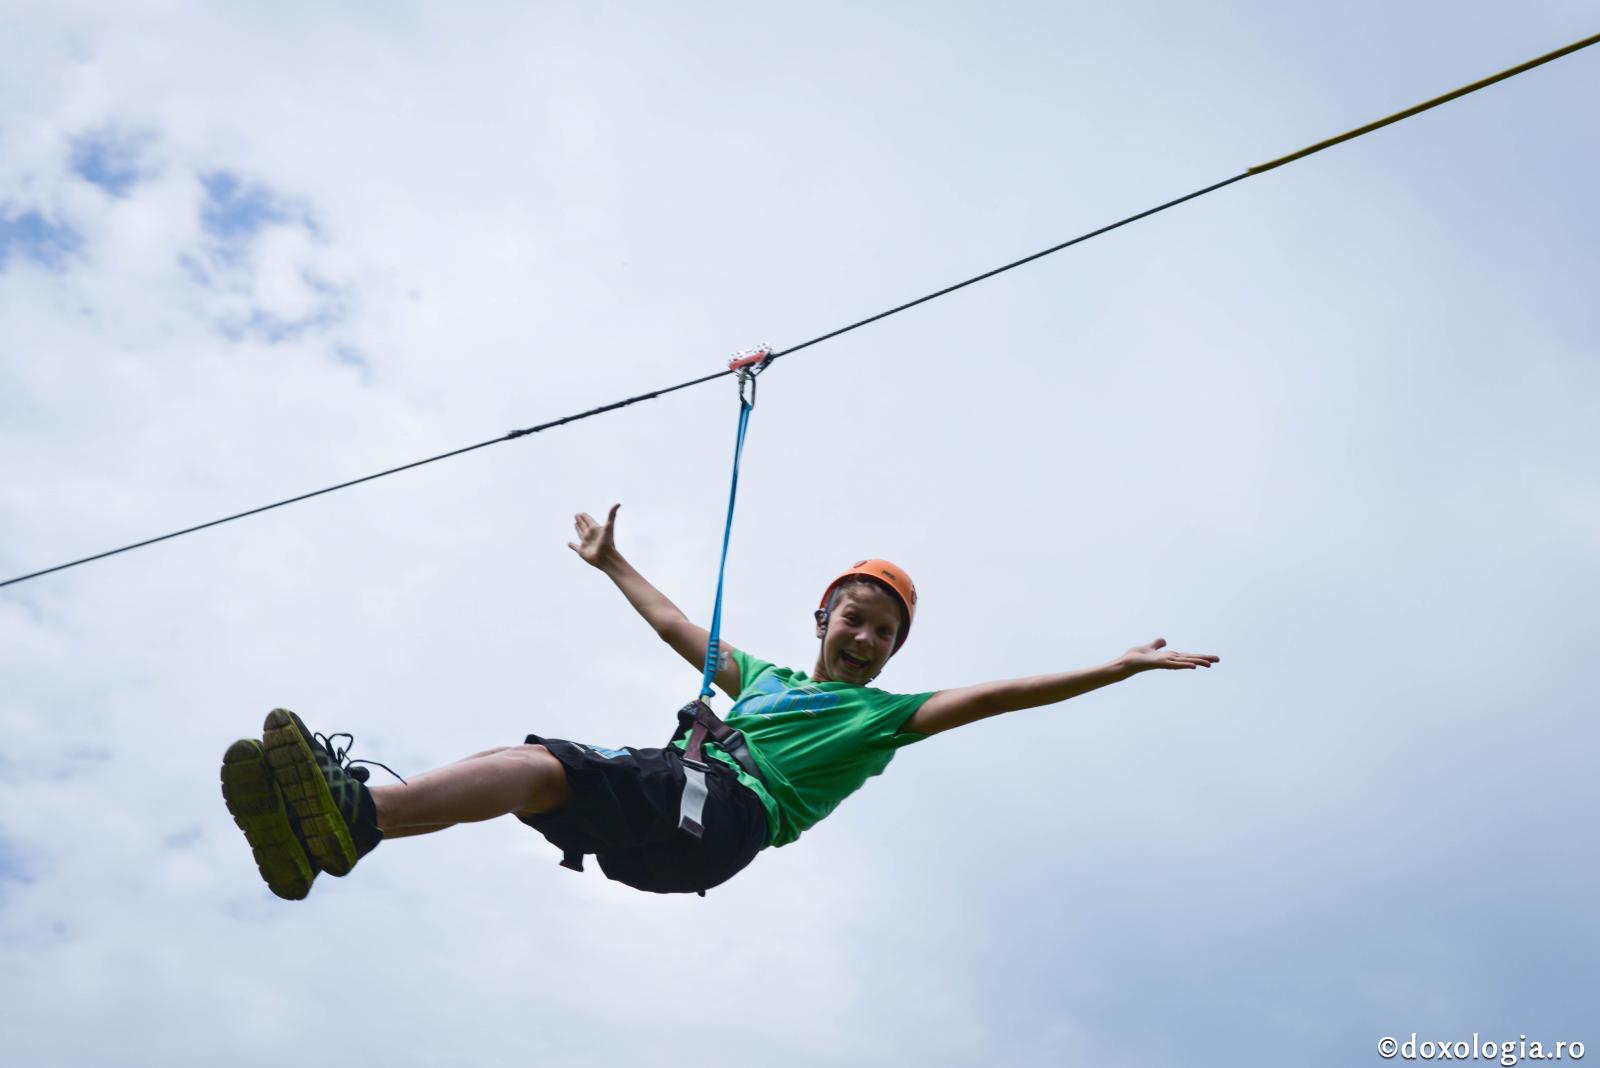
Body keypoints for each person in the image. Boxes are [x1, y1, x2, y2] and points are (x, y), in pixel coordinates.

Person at [219, 504, 1220, 900]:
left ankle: (354, 820)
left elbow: (998, 697)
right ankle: (330, 831)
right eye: (854, 617)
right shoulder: (769, 682)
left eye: (883, 632)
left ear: (890, 655)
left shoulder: (880, 717)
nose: (865, 637)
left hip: (719, 817)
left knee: (550, 765)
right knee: (534, 770)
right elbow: (673, 627)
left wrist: (1113, 667)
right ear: (823, 616)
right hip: (676, 829)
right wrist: (613, 562)